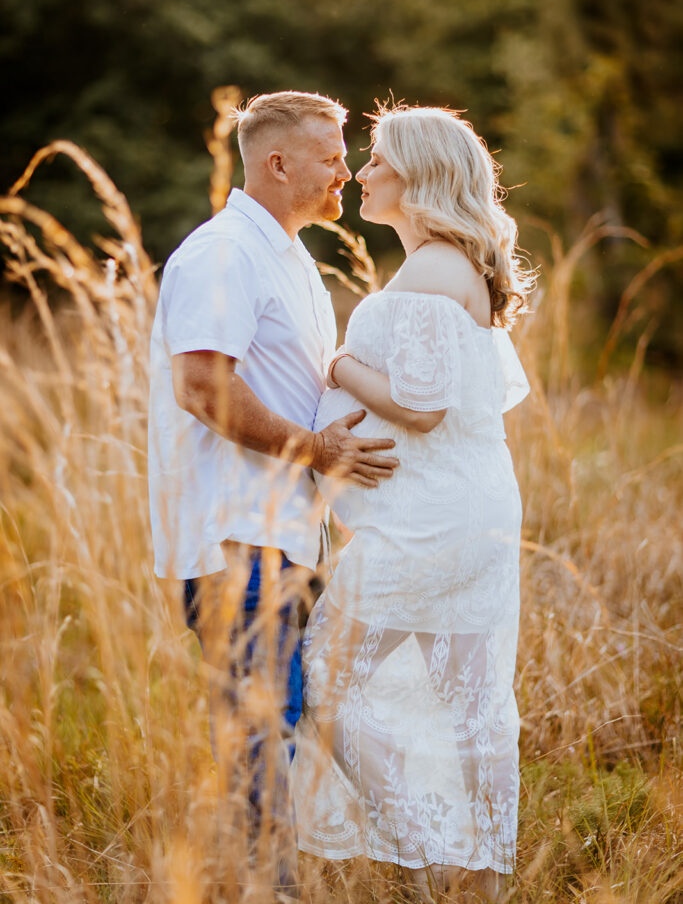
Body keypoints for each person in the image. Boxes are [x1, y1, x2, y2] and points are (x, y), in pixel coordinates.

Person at [147, 91, 399, 895]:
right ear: (277, 162)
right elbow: (200, 386)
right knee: (264, 733)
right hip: (235, 538)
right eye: (331, 156)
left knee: (278, 724)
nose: (346, 172)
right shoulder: (224, 253)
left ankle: (272, 883)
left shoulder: (285, 255)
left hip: (284, 533)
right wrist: (319, 449)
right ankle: (272, 890)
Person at [292, 105, 533, 902]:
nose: (362, 173)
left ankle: (425, 855)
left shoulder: (432, 269)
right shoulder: (463, 263)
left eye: (377, 159)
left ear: (420, 174)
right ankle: (485, 877)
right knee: (472, 701)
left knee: (325, 675)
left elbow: (422, 406)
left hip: (428, 522)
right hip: (471, 510)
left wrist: (339, 366)